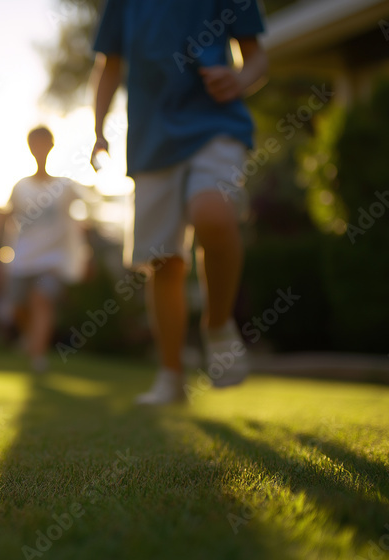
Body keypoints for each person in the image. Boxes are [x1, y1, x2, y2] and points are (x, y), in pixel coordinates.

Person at [91, 0, 268, 404]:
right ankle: (171, 377)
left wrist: (239, 81)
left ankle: (219, 325)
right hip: (151, 141)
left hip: (215, 124)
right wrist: (98, 130)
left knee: (213, 213)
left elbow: (256, 59)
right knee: (163, 261)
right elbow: (109, 65)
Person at [0, 126, 90, 373]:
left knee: (41, 300)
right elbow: (9, 215)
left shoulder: (65, 186)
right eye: (34, 143)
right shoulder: (20, 187)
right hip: (23, 258)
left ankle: (38, 357)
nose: (39, 148)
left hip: (54, 259)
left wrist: (83, 237)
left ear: (51, 146)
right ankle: (31, 341)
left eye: (43, 143)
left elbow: (86, 207)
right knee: (18, 306)